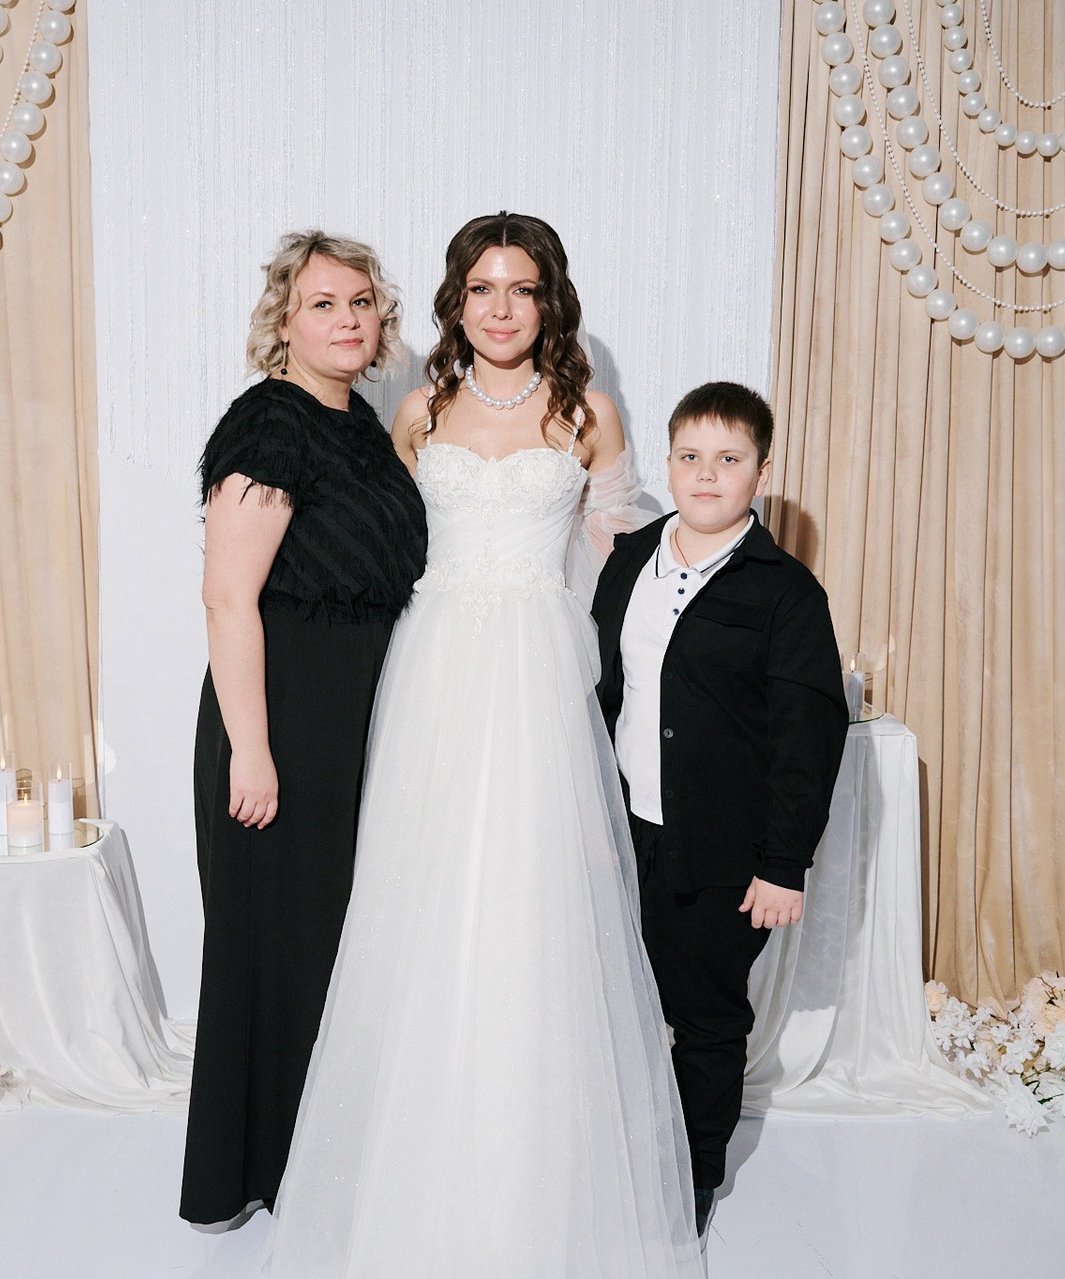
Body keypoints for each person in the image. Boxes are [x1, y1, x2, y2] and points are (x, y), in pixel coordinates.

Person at [268, 213, 702, 1277]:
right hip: (435, 669)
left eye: (522, 289)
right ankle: (416, 1164)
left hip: (540, 673)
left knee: (535, 898)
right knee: (419, 895)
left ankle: (537, 1170)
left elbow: (619, 563)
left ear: (550, 301)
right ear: (455, 302)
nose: (501, 309)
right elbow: (382, 540)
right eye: (481, 289)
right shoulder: (417, 410)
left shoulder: (588, 414)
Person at [180, 232, 428, 1227]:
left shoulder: (360, 422)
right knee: (274, 949)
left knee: (331, 944)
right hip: (280, 715)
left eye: (362, 302)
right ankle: (261, 1175)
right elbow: (227, 597)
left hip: (353, 715)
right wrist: (251, 748)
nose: (348, 320)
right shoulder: (270, 421)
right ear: (284, 320)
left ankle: (322, 1159)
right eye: (324, 303)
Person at [590, 382, 848, 1235]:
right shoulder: (630, 558)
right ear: (668, 465)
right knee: (620, 1001)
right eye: (691, 457)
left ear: (760, 474)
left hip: (723, 851)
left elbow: (807, 741)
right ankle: (626, 1147)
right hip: (626, 832)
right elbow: (605, 690)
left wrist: (782, 865)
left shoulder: (787, 594)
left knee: (704, 1015)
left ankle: (693, 1174)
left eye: (728, 459)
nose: (706, 474)